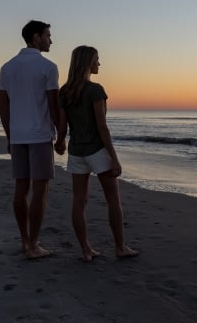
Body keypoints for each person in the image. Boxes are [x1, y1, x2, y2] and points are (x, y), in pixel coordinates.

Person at [55, 45, 138, 262]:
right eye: (97, 60)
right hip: (97, 150)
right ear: (87, 63)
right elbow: (102, 127)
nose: (99, 64)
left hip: (76, 151)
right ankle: (120, 247)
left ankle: (85, 250)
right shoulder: (95, 90)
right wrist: (114, 157)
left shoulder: (64, 91)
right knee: (113, 199)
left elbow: (62, 126)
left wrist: (60, 141)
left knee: (79, 201)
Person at [0, 20, 60, 259]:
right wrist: (61, 133)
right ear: (36, 38)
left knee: (21, 187)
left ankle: (25, 240)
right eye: (48, 36)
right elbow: (54, 104)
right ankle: (34, 245)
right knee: (41, 189)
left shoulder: (7, 67)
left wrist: (9, 135)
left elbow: (4, 106)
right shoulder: (48, 67)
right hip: (39, 135)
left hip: (18, 135)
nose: (50, 40)